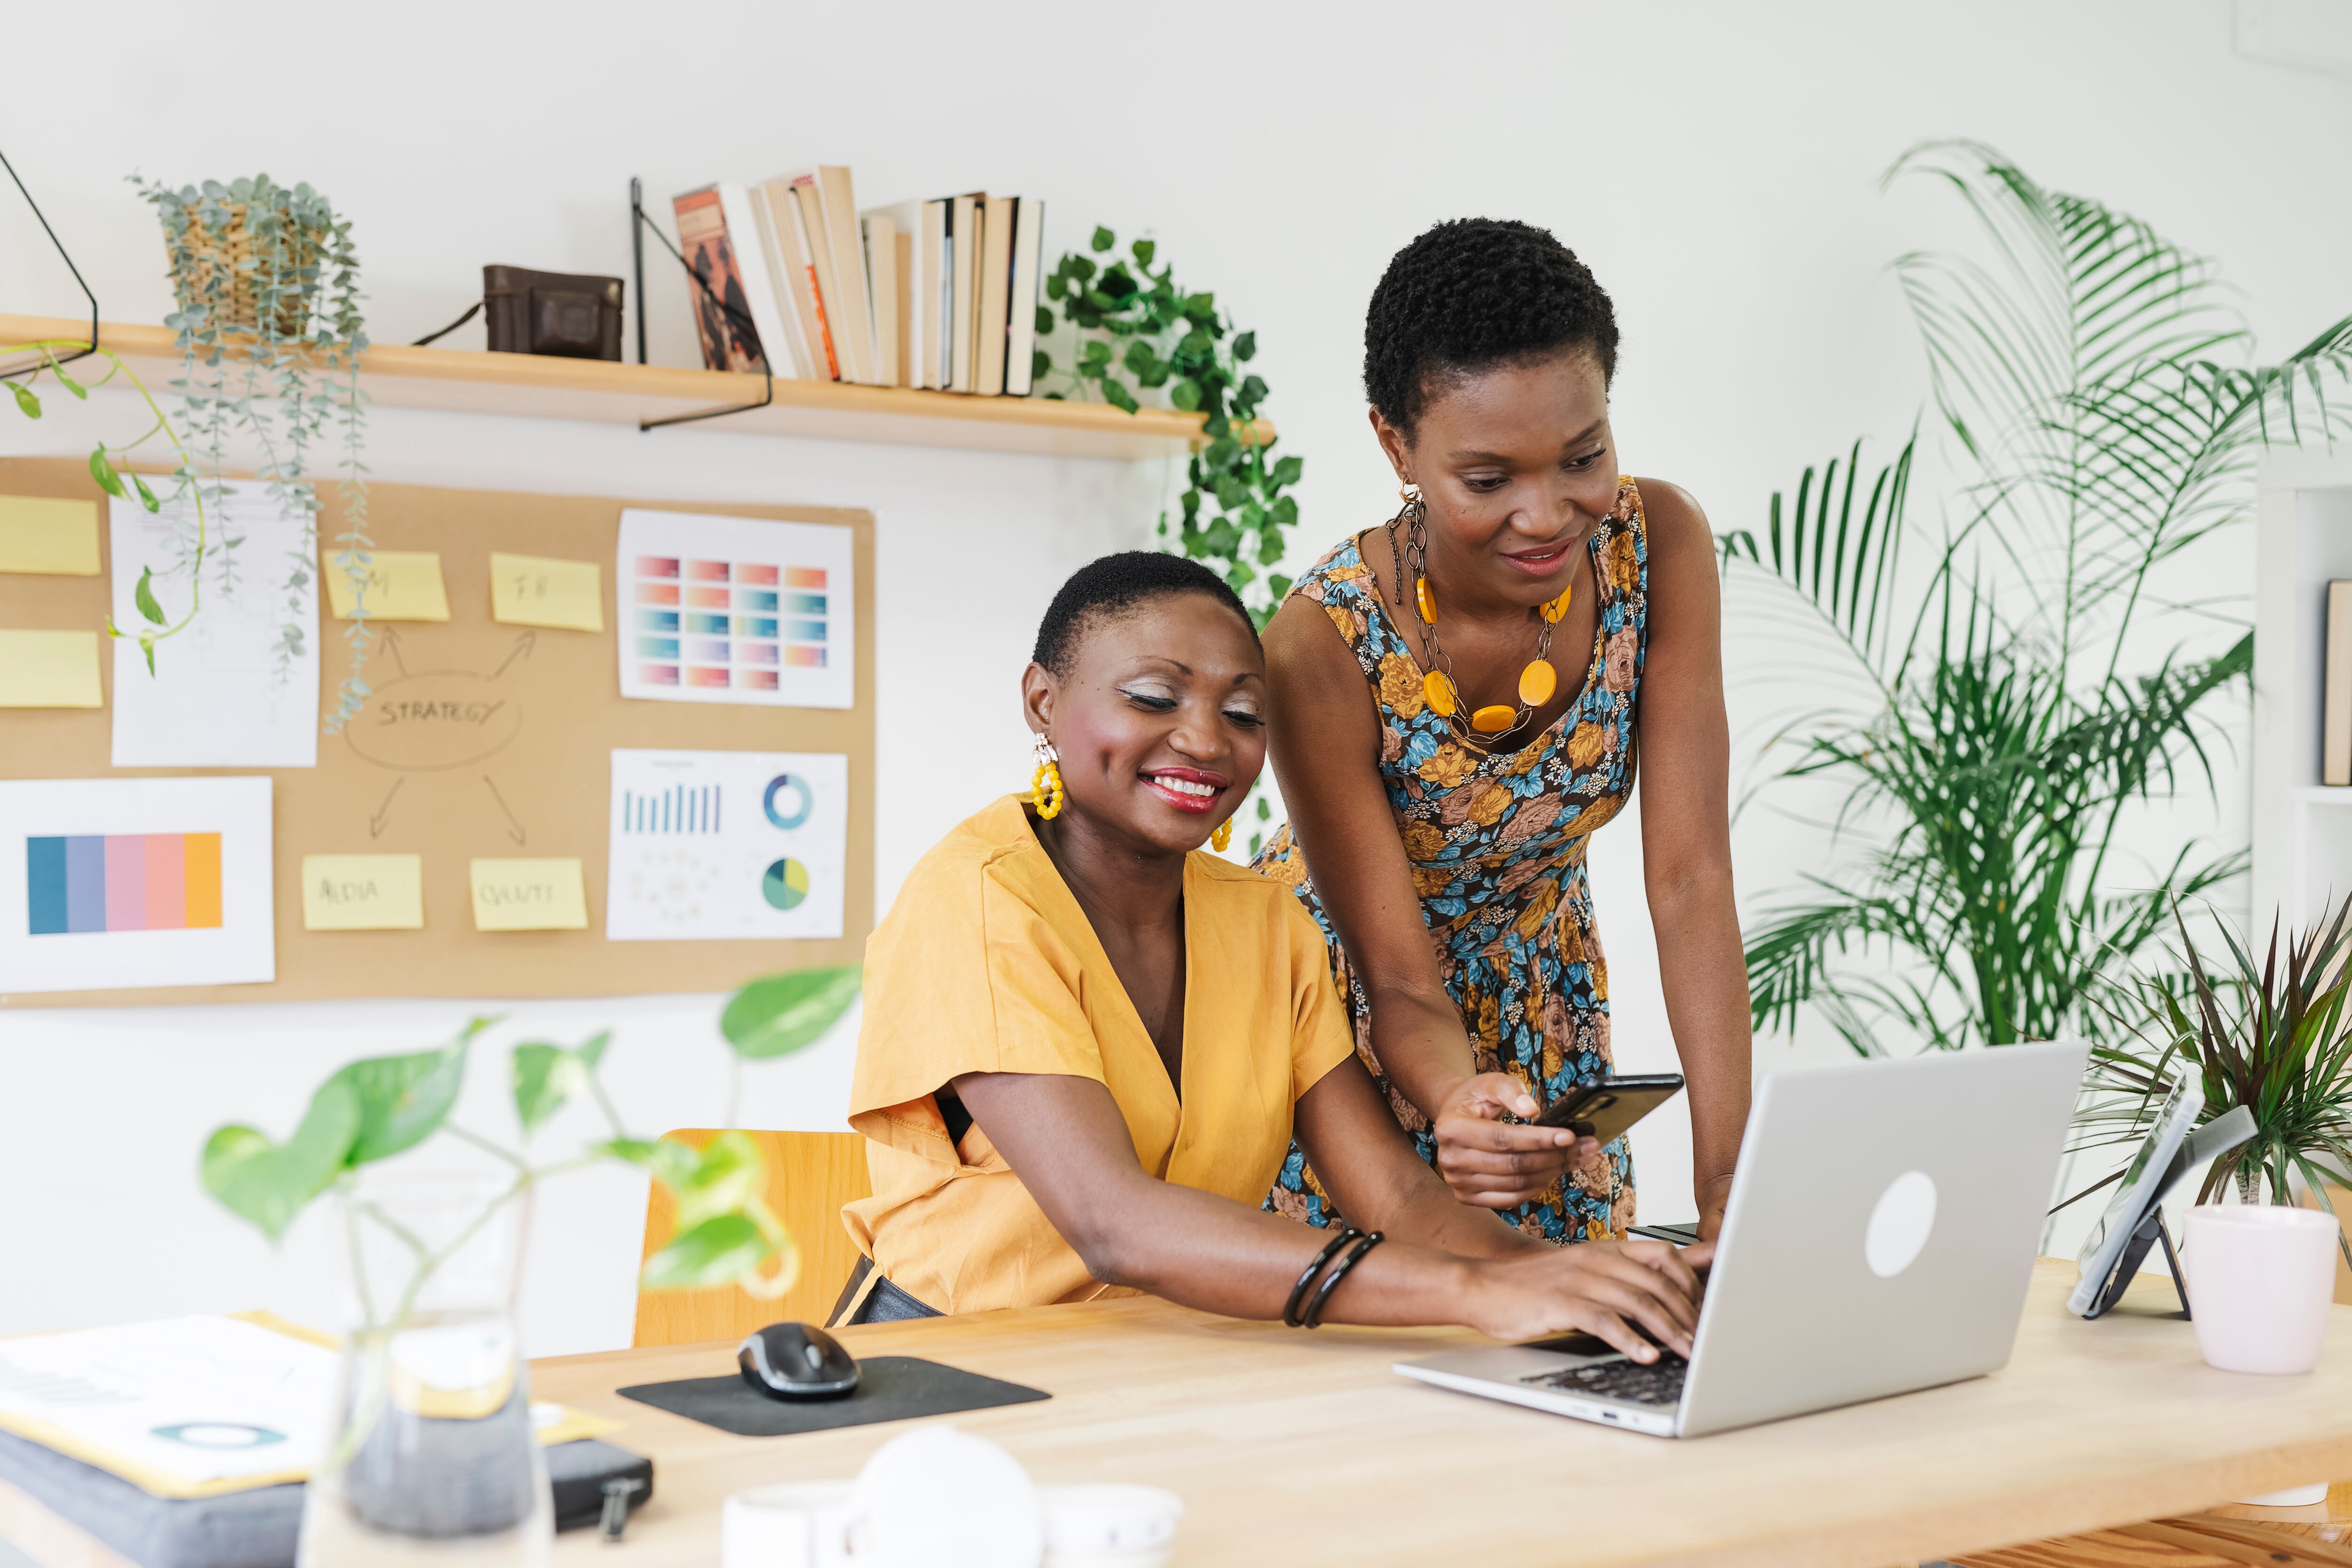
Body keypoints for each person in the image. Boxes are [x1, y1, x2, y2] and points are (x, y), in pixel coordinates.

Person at [835, 551, 1708, 1356]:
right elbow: (1113, 1223)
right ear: (1042, 701)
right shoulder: (979, 901)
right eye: (1153, 696)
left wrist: (1567, 1277)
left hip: (1167, 1356)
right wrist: (1477, 1293)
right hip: (950, 1363)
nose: (1207, 740)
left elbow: (1397, 1199)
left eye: (1243, 712)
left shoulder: (1268, 926)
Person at [1254, 219, 1753, 1244]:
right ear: (1395, 445)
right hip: (1340, 1027)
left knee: (1577, 1343)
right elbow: (1392, 974)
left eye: (1583, 455)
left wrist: (1727, 1181)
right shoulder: (1324, 642)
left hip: (1543, 1007)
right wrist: (1454, 1097)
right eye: (1489, 481)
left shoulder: (1656, 547)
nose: (1548, 514)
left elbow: (1690, 879)